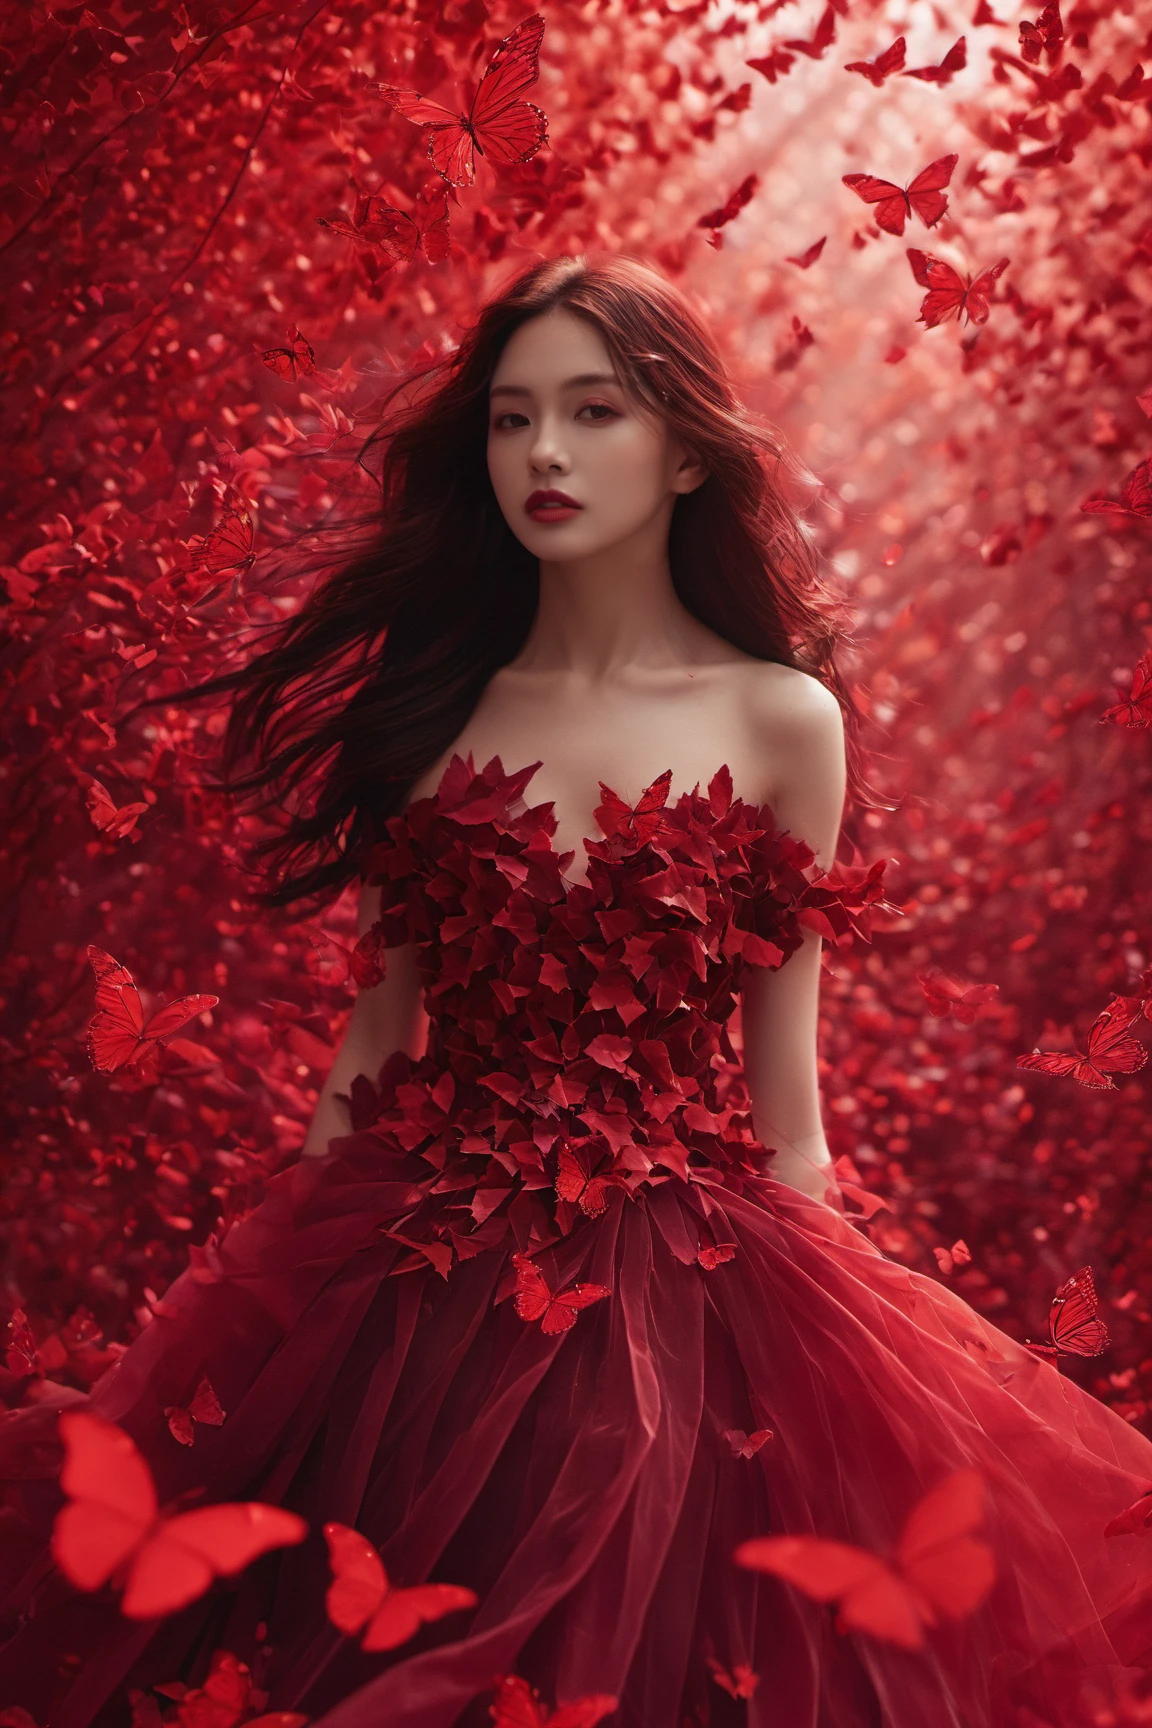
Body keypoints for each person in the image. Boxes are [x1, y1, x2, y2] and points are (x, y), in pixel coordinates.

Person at [1, 254, 1151, 1728]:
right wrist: (287, 1341)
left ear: (683, 450)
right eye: (512, 417)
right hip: (414, 1281)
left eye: (594, 412)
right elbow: (372, 1045)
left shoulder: (781, 716)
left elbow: (785, 1089)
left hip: (691, 1287)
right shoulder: (432, 707)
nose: (543, 453)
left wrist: (834, 1376)